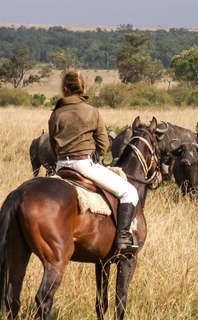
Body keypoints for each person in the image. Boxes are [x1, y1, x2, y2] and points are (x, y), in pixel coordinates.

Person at [49, 71, 138, 254]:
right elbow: (104, 144)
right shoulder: (92, 111)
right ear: (82, 89)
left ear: (65, 89)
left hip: (60, 166)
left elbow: (52, 145)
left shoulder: (56, 114)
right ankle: (122, 237)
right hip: (84, 165)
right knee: (129, 192)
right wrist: (98, 153)